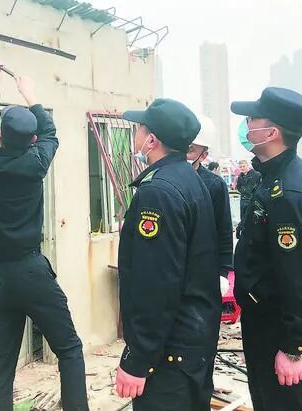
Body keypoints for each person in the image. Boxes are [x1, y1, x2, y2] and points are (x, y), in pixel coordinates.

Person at [0, 59, 88, 411]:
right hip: (30, 271)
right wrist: (30, 94)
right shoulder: (35, 163)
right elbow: (51, 133)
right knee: (69, 348)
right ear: (31, 141)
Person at [114, 99, 221, 410]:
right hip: (193, 342)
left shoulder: (158, 192)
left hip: (170, 353)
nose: (136, 134)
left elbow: (155, 284)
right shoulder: (188, 178)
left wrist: (138, 359)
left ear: (151, 140)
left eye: (140, 128)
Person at [231, 87, 302, 411]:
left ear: (271, 133)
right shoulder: (270, 177)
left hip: (280, 329)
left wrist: (293, 348)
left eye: (251, 119)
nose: (246, 126)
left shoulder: (289, 194)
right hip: (264, 322)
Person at [186, 116, 233, 294]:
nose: (184, 153)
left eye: (190, 149)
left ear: (204, 155)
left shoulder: (214, 184)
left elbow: (224, 229)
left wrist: (224, 271)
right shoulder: (162, 179)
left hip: (202, 266)